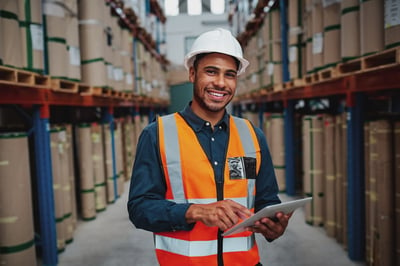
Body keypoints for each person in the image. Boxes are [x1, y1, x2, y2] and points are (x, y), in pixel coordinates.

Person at [127, 28, 291, 266]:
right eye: (211, 72)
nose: (221, 83)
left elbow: (267, 200)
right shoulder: (157, 134)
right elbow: (140, 208)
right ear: (192, 73)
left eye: (230, 75)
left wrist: (273, 224)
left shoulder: (252, 136)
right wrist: (195, 211)